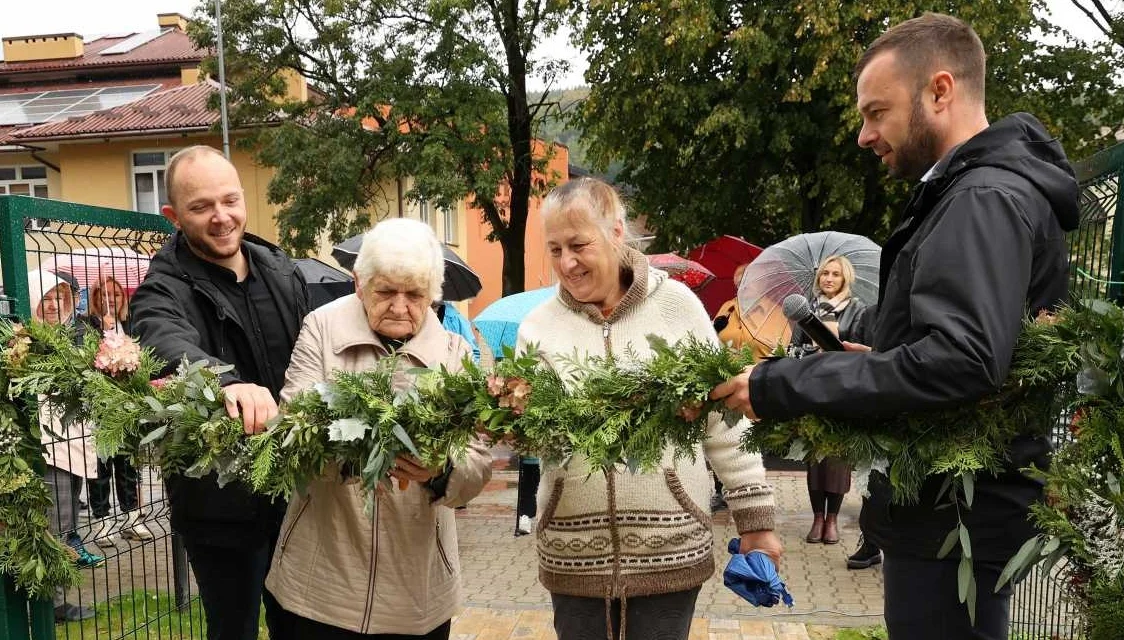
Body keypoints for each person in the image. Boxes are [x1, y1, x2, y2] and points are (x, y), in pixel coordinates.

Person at [712, 13, 1079, 640]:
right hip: (946, 511)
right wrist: (880, 350)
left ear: (940, 91)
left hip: (953, 516)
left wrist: (783, 386)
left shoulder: (981, 200)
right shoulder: (969, 194)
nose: (864, 134)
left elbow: (961, 360)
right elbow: (962, 346)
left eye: (876, 112)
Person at [517, 177, 782, 640]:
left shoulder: (677, 307)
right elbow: (534, 436)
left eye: (579, 244)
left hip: (672, 542)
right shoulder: (538, 327)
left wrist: (755, 519)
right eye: (555, 249)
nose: (567, 262)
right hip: (571, 550)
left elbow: (724, 419)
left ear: (617, 233)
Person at [265, 218, 491, 639]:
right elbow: (294, 429)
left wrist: (440, 472)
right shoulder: (321, 327)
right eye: (386, 291)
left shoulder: (455, 353)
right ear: (359, 283)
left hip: (416, 593)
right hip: (319, 586)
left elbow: (477, 460)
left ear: (433, 294)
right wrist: (368, 456)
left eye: (415, 295)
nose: (401, 307)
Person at [130, 145, 311, 640]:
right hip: (220, 507)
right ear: (172, 216)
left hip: (297, 494)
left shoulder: (280, 270)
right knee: (233, 630)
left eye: (230, 200)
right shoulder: (162, 289)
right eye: (200, 206)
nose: (221, 217)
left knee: (302, 625)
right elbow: (164, 340)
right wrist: (226, 384)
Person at [29, 270, 103, 622]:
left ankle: (54, 598)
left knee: (67, 521)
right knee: (54, 525)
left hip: (75, 444)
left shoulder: (76, 336)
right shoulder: (26, 342)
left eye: (62, 298)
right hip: (48, 446)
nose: (56, 305)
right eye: (47, 298)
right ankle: (52, 604)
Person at [787, 255, 866, 546]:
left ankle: (832, 518)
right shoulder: (806, 310)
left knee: (837, 458)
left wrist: (835, 351)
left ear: (845, 279)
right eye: (824, 274)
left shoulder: (857, 310)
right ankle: (817, 517)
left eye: (835, 274)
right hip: (812, 388)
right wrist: (810, 354)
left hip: (844, 391)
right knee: (815, 456)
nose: (828, 279)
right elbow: (792, 348)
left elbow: (861, 348)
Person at [84, 276, 155, 547]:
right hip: (98, 408)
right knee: (101, 466)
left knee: (128, 463)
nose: (110, 299)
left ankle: (132, 518)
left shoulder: (130, 324)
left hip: (126, 404)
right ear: (95, 298)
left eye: (115, 294)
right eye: (104, 294)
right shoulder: (87, 326)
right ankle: (102, 523)